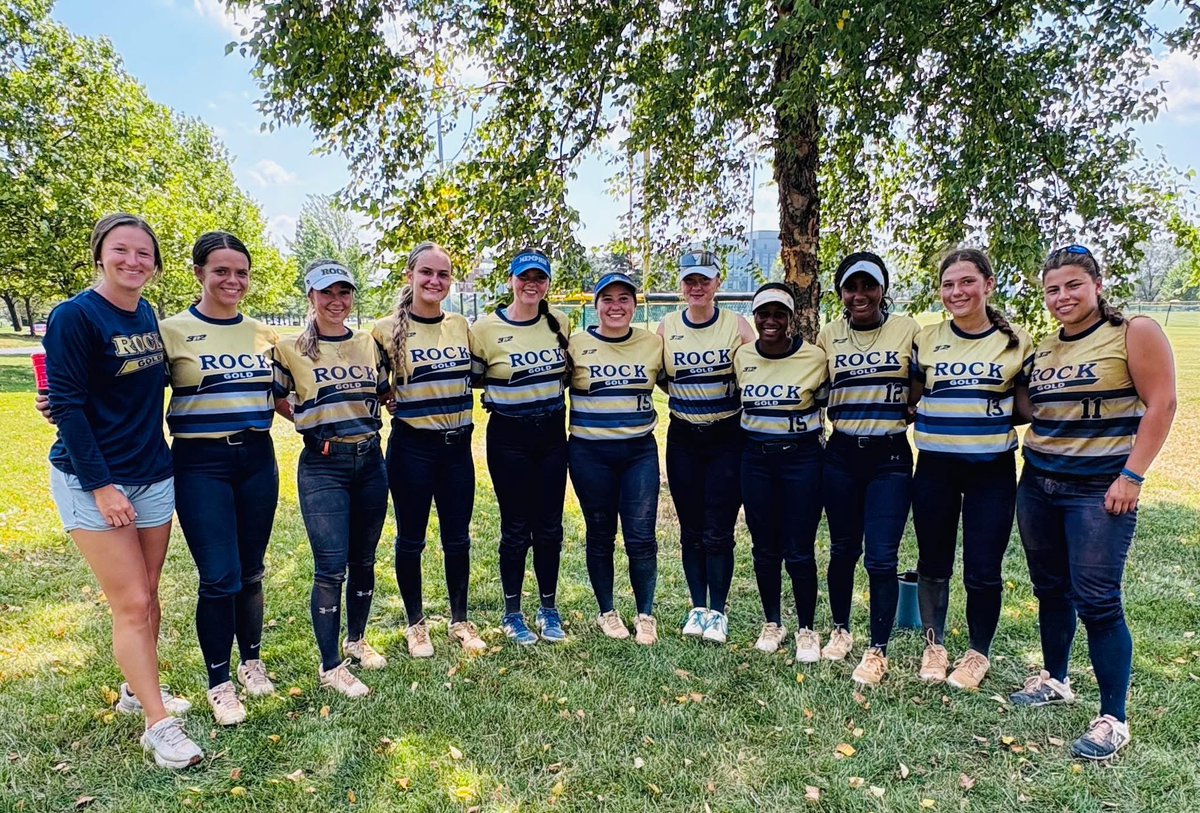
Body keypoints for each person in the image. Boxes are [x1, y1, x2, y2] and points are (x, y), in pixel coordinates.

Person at [44, 214, 203, 768]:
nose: (133, 261)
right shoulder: (75, 315)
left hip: (154, 471)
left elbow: (127, 386)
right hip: (95, 480)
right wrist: (103, 487)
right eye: (121, 251)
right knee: (131, 601)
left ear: (155, 266)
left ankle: (139, 690)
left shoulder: (145, 313)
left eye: (143, 254)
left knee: (150, 591)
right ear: (100, 254)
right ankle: (159, 724)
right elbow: (66, 404)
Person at [1008, 245, 1175, 760]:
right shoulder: (1044, 349)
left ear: (1097, 285)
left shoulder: (1133, 332)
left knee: (1098, 599)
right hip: (1038, 482)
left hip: (1098, 488)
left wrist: (1132, 475)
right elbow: (1027, 407)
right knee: (1051, 589)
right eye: (1053, 289)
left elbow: (1163, 403)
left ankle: (1113, 718)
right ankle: (1056, 680)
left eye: (1074, 285)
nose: (1063, 297)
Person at [155, 233, 281, 725]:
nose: (232, 280)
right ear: (198, 273)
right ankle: (219, 681)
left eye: (241, 272)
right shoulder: (172, 331)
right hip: (200, 463)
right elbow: (133, 394)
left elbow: (290, 395)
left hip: (256, 458)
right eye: (221, 271)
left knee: (251, 570)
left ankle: (251, 662)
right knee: (219, 576)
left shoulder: (263, 335)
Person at [909, 249, 1033, 690]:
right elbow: (911, 397)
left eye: (966, 282)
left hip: (991, 470)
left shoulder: (1016, 340)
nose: (956, 292)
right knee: (933, 560)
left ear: (988, 284)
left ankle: (978, 653)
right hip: (935, 467)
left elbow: (1025, 408)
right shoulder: (926, 339)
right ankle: (934, 645)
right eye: (948, 284)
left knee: (983, 567)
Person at [273, 260, 390, 697]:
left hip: (370, 461)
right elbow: (274, 395)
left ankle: (356, 641)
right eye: (327, 293)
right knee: (330, 568)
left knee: (364, 560)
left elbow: (382, 391)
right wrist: (303, 419)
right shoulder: (290, 349)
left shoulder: (367, 344)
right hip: (324, 465)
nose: (336, 301)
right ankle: (330, 666)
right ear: (311, 297)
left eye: (344, 293)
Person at [372, 242, 487, 657]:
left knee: (458, 539)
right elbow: (371, 380)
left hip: (457, 448)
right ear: (410, 276)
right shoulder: (384, 331)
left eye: (443, 275)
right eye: (427, 273)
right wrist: (388, 394)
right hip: (412, 449)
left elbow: (477, 373)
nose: (434, 281)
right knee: (411, 540)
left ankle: (460, 618)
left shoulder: (460, 325)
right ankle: (416, 624)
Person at [816, 252, 921, 686]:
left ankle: (878, 650)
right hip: (840, 454)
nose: (860, 295)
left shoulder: (906, 329)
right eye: (851, 287)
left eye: (868, 286)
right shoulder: (829, 335)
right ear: (841, 293)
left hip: (890, 457)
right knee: (843, 550)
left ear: (883, 289)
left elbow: (923, 379)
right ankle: (841, 629)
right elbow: (816, 386)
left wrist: (912, 405)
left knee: (881, 557)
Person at [470, 249, 571, 644]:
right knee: (516, 528)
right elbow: (476, 379)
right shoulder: (484, 329)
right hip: (508, 436)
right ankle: (512, 613)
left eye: (540, 278)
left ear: (547, 283)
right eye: (524, 277)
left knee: (549, 527)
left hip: (550, 435)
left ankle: (548, 609)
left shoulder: (558, 322)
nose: (532, 284)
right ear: (511, 280)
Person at [658, 250, 755, 644]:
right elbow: (661, 376)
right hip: (683, 437)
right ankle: (698, 607)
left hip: (726, 438)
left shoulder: (737, 325)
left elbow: (758, 367)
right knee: (690, 529)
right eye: (689, 281)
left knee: (719, 529)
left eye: (704, 280)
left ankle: (719, 611)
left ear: (718, 283)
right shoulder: (666, 326)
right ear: (681, 286)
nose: (697, 287)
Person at [567, 272, 664, 645]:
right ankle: (607, 612)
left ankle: (645, 614)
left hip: (638, 451)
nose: (616, 306)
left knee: (641, 537)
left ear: (634, 306)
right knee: (601, 533)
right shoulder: (576, 344)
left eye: (624, 299)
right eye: (608, 299)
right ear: (596, 306)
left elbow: (676, 382)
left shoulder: (651, 343)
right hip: (590, 451)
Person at [735, 283, 828, 660]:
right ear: (755, 317)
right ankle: (772, 621)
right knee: (764, 547)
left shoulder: (815, 358)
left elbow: (824, 405)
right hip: (755, 459)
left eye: (779, 314)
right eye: (763, 313)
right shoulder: (742, 357)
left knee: (800, 549)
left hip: (802, 459)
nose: (770, 321)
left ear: (791, 318)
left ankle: (807, 628)